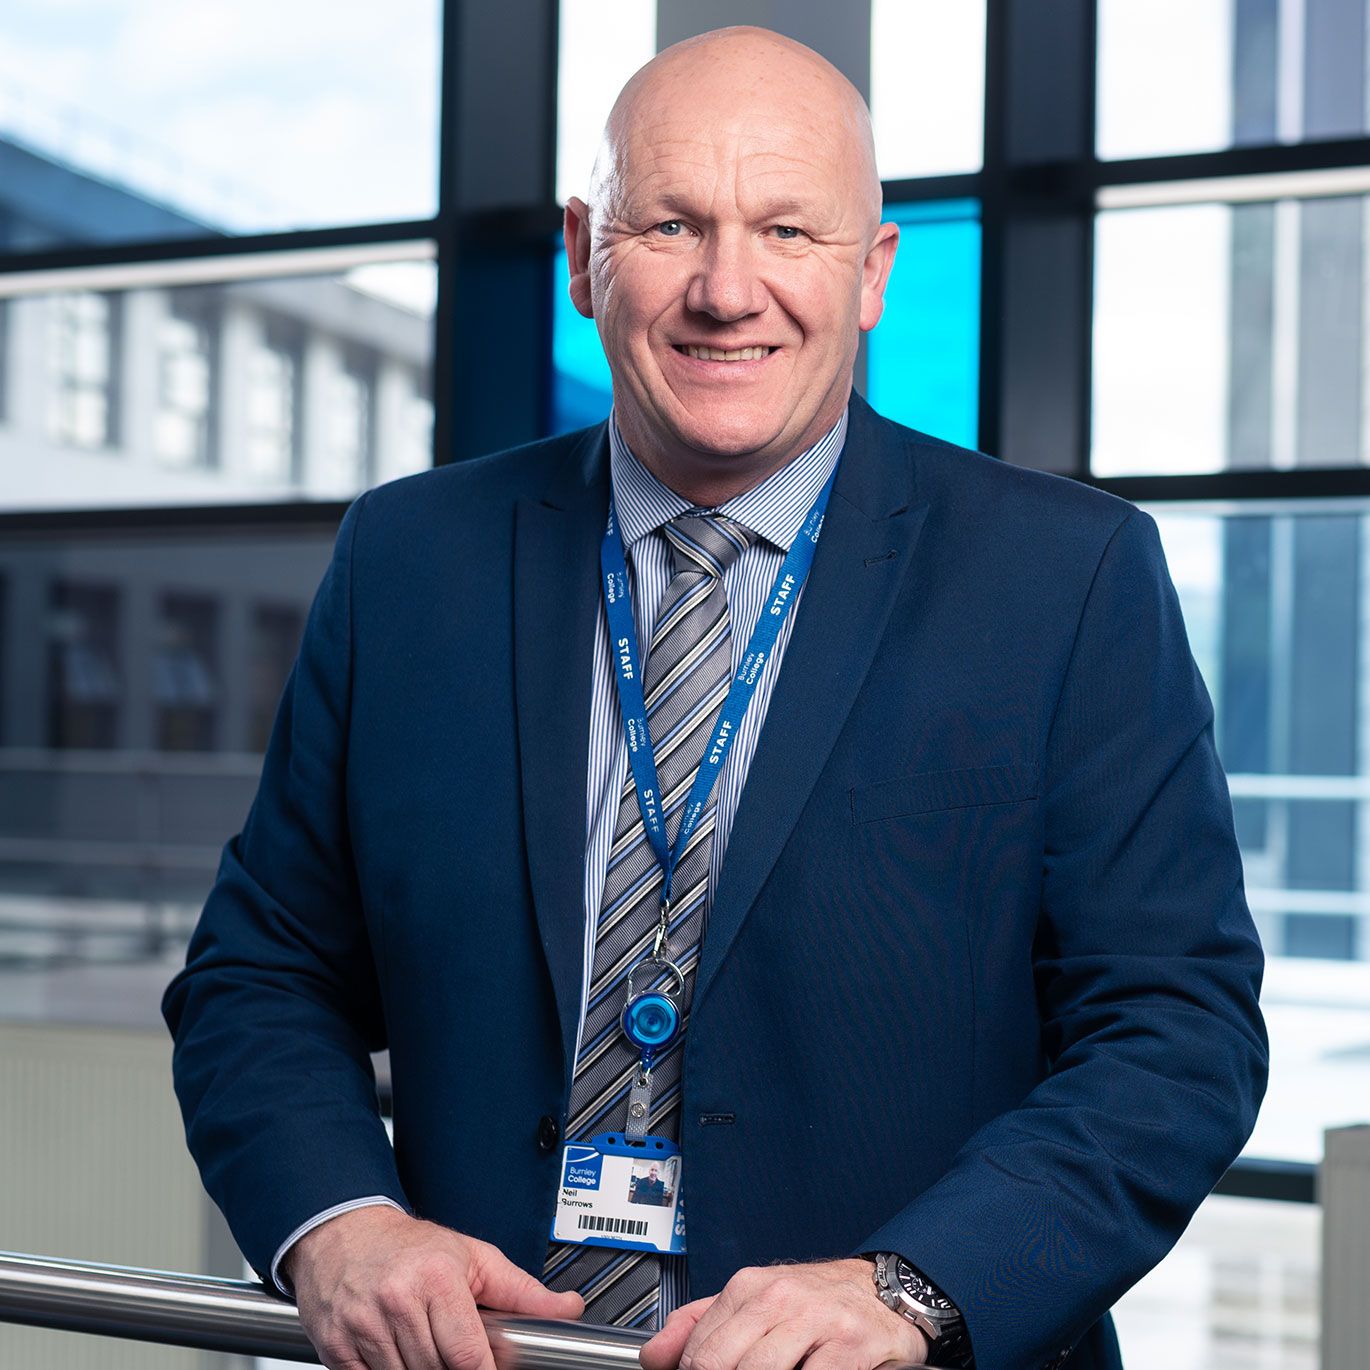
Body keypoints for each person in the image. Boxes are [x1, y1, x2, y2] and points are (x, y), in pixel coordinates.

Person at [162, 25, 1268, 1370]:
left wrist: (912, 1288)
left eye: (788, 231)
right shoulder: (408, 561)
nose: (726, 290)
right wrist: (337, 1224)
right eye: (672, 223)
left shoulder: (1066, 574)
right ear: (581, 254)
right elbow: (259, 972)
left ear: (869, 274)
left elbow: (1173, 1031)